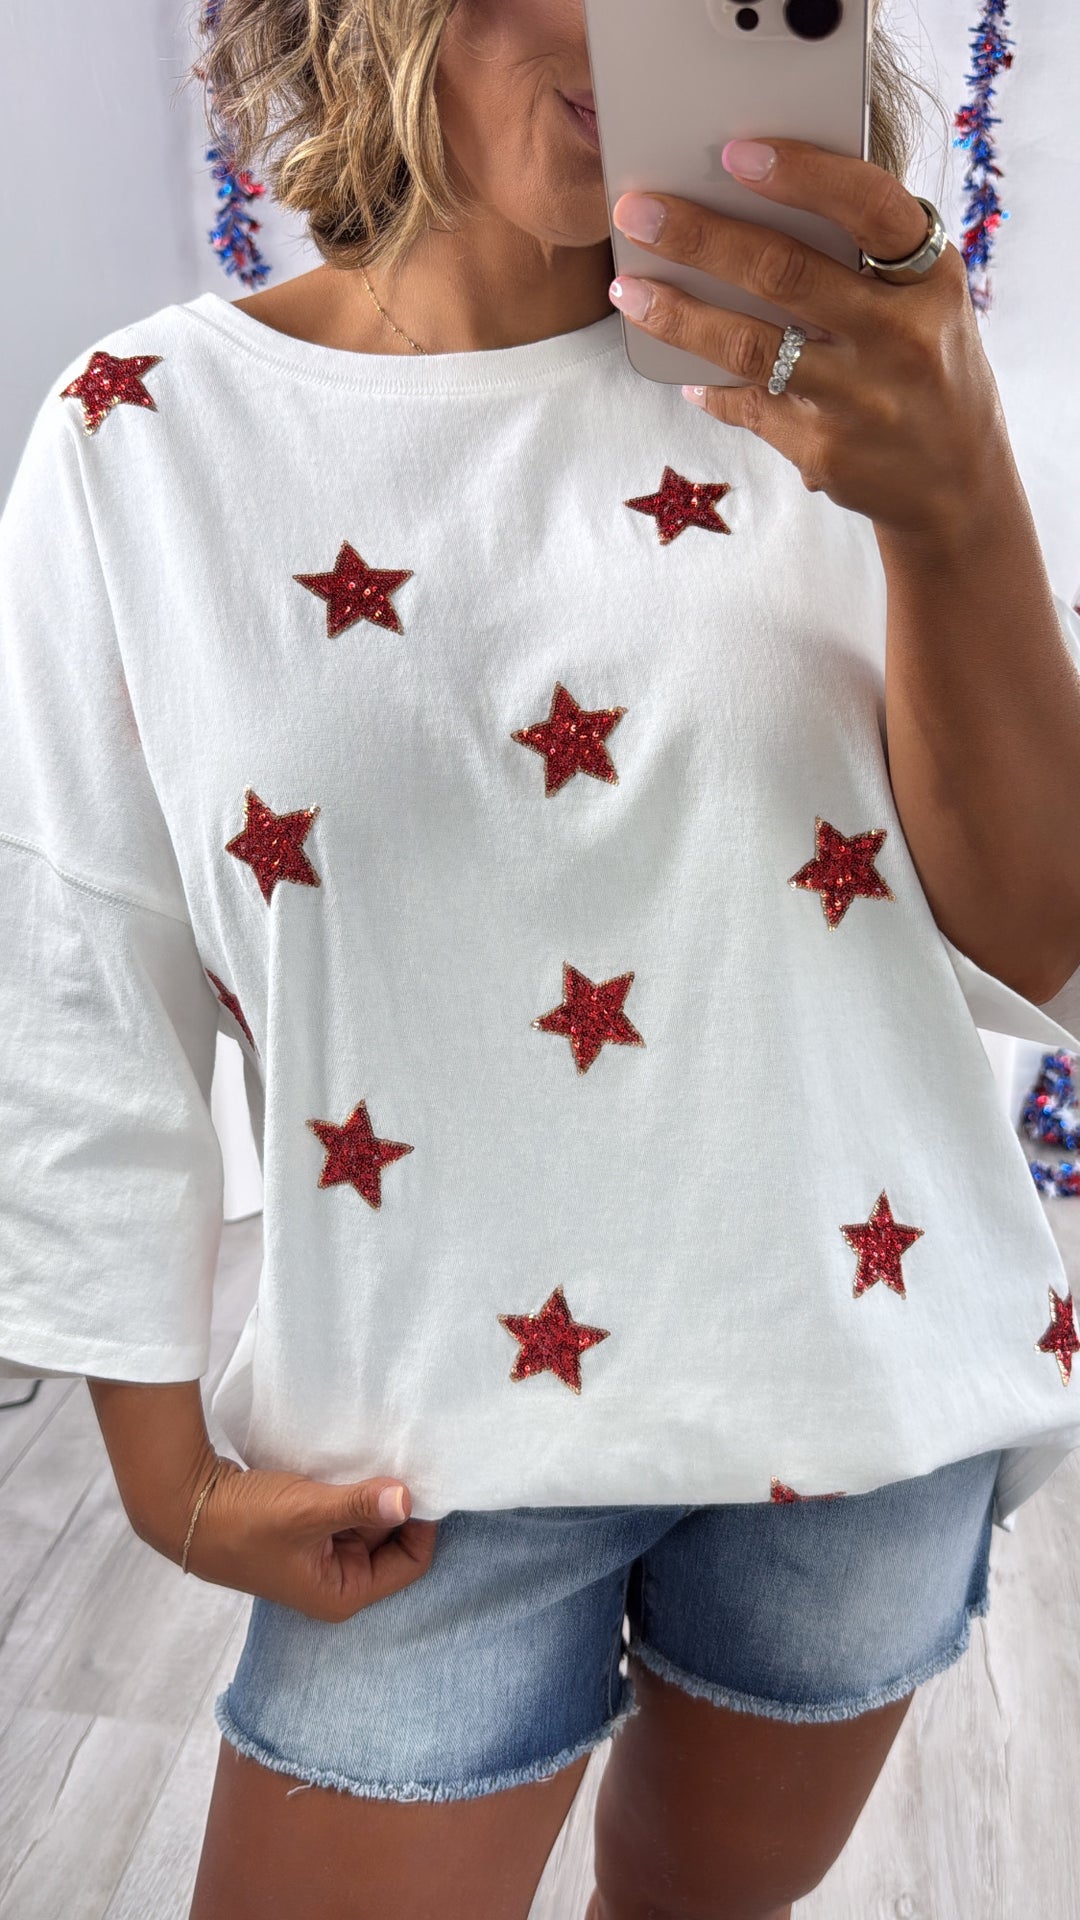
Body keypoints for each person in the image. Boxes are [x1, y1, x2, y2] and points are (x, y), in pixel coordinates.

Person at [2, 1, 1080, 1915]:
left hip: (857, 1400)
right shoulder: (147, 437)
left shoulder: (848, 384)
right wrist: (161, 1469)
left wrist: (960, 494)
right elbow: (83, 970)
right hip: (419, 1461)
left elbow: (1036, 939)